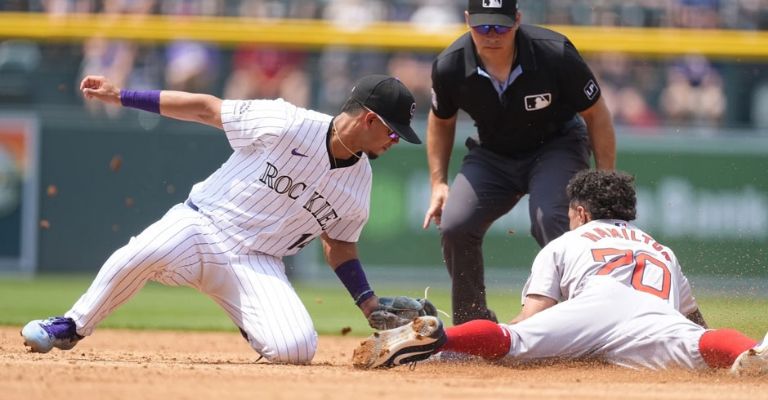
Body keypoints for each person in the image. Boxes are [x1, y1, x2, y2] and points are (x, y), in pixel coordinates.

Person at [21, 73, 423, 365]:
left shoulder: (359, 183)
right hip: (202, 226)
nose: (395, 142)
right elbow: (206, 109)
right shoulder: (288, 123)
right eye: (393, 132)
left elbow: (339, 243)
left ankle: (251, 321)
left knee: (296, 349)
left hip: (258, 263)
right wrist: (122, 95)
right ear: (370, 119)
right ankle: (72, 325)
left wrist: (368, 304)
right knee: (144, 251)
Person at [354, 170, 768, 377]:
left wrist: (466, 346)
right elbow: (694, 321)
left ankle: (438, 337)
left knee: (513, 340)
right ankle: (754, 351)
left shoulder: (569, 241)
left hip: (592, 308)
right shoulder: (661, 248)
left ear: (581, 212)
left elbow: (530, 319)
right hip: (652, 320)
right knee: (703, 343)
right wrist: (713, 352)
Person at [422, 0, 617, 325]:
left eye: (500, 26)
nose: (491, 34)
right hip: (493, 153)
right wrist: (438, 183)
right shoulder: (451, 65)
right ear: (468, 21)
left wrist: (603, 182)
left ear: (517, 20)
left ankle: (578, 324)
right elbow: (441, 120)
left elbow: (596, 115)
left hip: (556, 145)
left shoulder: (553, 52)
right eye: (482, 26)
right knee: (456, 224)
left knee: (552, 220)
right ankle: (475, 326)